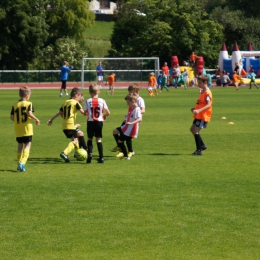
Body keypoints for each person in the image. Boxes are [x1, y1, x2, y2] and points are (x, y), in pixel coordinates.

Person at [47, 87, 85, 163]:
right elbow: (83, 112)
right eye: (80, 96)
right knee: (75, 140)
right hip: (71, 125)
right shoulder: (75, 102)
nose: (80, 98)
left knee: (74, 139)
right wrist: (90, 112)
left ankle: (77, 153)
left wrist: (51, 119)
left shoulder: (66, 102)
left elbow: (59, 112)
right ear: (76, 95)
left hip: (64, 125)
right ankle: (65, 153)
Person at [10, 86, 40, 172]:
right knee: (28, 144)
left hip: (18, 128)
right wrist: (36, 119)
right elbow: (29, 114)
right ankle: (22, 163)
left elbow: (11, 117)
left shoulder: (15, 105)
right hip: (27, 128)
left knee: (20, 146)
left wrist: (17, 122)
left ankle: (19, 164)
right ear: (27, 96)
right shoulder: (29, 104)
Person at [111, 83, 145, 156]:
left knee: (126, 137)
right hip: (128, 120)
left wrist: (135, 112)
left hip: (134, 121)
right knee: (116, 132)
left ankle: (127, 151)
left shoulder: (140, 100)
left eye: (131, 92)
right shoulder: (131, 98)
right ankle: (122, 148)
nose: (129, 94)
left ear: (136, 91)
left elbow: (143, 110)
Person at [84, 83, 110, 164]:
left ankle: (90, 155)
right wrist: (104, 116)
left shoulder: (88, 101)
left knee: (89, 138)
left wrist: (87, 113)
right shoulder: (102, 101)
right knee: (98, 139)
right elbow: (108, 112)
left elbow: (85, 112)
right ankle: (101, 157)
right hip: (99, 122)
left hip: (91, 122)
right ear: (98, 92)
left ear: (90, 92)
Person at [190, 75, 212, 155]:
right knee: (192, 129)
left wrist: (199, 110)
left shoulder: (207, 92)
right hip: (199, 114)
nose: (198, 84)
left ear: (205, 82)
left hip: (203, 115)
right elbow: (201, 103)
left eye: (200, 83)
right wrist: (195, 108)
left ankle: (199, 150)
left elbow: (208, 104)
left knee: (195, 130)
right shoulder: (202, 91)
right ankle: (202, 145)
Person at [116, 93, 142, 160]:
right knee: (115, 132)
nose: (127, 104)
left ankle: (126, 156)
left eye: (128, 103)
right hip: (127, 128)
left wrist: (131, 123)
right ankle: (127, 154)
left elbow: (140, 119)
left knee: (120, 141)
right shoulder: (133, 108)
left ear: (133, 101)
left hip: (131, 130)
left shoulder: (137, 109)